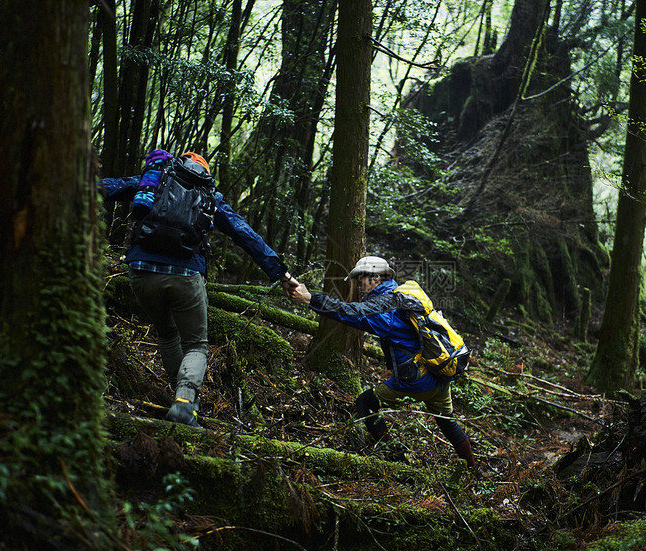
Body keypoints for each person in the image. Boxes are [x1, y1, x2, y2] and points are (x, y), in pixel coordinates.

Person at [100, 149, 299, 426]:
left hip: (141, 270)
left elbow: (110, 187)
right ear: (205, 173)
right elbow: (245, 234)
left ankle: (180, 396)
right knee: (195, 344)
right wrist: (281, 273)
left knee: (167, 334)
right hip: (185, 274)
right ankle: (184, 401)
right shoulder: (210, 196)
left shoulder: (155, 177)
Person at [290, 256, 477, 471]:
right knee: (447, 421)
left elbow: (350, 314)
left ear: (376, 277)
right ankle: (474, 470)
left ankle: (397, 462)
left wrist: (309, 298)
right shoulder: (402, 296)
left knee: (365, 403)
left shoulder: (385, 310)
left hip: (418, 381)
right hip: (440, 375)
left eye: (361, 279)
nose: (358, 285)